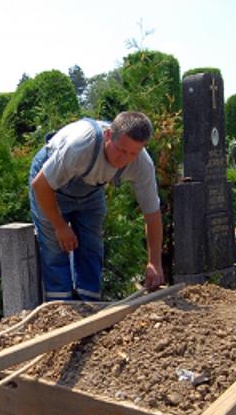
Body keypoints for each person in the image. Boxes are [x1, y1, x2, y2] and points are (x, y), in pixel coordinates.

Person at [29, 111, 163, 301]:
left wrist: (154, 262)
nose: (124, 159)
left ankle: (90, 305)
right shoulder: (80, 146)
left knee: (91, 246)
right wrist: (59, 226)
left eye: (133, 153)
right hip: (50, 184)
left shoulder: (142, 164)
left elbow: (152, 213)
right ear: (108, 135)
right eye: (121, 150)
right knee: (55, 250)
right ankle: (60, 309)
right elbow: (40, 186)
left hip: (91, 189)